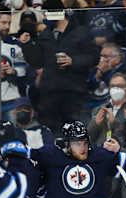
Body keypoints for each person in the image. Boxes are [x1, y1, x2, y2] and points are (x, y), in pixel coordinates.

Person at [19, 7, 98, 135]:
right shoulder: (45, 33)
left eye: (47, 12)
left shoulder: (81, 32)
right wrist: (27, 45)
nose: (44, 16)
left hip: (74, 95)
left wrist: (73, 61)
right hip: (49, 96)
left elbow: (94, 58)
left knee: (76, 135)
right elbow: (37, 62)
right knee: (53, 137)